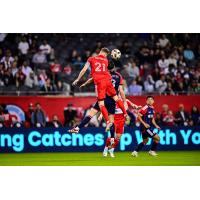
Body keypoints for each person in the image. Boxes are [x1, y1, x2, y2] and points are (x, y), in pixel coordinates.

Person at [72, 47, 127, 131]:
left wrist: (78, 79)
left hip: (101, 85)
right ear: (106, 54)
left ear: (100, 51)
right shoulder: (106, 61)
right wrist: (125, 102)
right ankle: (125, 114)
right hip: (108, 83)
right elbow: (121, 90)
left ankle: (107, 123)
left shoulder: (91, 59)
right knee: (116, 98)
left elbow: (84, 70)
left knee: (98, 107)